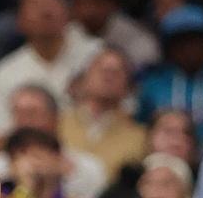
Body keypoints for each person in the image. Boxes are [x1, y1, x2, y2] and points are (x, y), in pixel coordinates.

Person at [0, 0, 100, 143]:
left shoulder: (97, 56)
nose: (45, 10)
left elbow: (123, 113)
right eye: (35, 4)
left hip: (93, 149)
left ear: (68, 10)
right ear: (19, 20)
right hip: (29, 152)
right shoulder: (5, 72)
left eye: (52, 0)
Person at [0, 83, 106, 198]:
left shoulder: (88, 168)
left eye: (32, 113)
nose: (25, 122)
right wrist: (19, 181)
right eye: (18, 113)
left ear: (55, 117)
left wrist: (55, 179)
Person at [59, 47, 148, 179]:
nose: (108, 76)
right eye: (102, 69)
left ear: (128, 87)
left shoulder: (140, 137)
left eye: (116, 72)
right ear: (84, 79)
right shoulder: (57, 122)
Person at [135, 6, 203, 143]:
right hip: (165, 153)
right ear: (169, 47)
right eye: (181, 42)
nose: (189, 49)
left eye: (196, 40)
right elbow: (142, 128)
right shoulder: (154, 84)